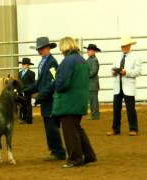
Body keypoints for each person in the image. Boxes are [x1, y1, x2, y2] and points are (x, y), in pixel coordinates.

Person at [52, 36, 96, 168]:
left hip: (69, 102)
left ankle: (75, 158)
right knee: (77, 128)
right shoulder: (81, 60)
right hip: (80, 100)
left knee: (70, 131)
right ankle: (89, 155)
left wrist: (55, 83)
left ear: (64, 47)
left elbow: (63, 83)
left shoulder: (68, 61)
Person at [25, 36, 66, 161]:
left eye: (42, 48)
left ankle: (58, 152)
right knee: (49, 127)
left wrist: (40, 97)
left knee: (52, 127)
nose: (40, 51)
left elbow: (52, 83)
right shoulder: (43, 62)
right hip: (47, 100)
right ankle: (54, 150)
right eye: (39, 49)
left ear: (48, 48)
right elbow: (40, 82)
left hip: (51, 100)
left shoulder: (52, 62)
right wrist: (27, 90)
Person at [107, 36, 142, 136]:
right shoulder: (117, 57)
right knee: (116, 108)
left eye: (125, 46)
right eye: (122, 46)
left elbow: (138, 72)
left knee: (130, 109)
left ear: (130, 46)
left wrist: (126, 72)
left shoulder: (136, 57)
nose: (123, 48)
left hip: (128, 86)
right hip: (118, 86)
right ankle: (115, 129)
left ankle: (133, 129)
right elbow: (112, 70)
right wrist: (114, 72)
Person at [84, 44, 101, 120]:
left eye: (89, 50)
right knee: (92, 100)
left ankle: (95, 115)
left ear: (93, 51)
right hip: (91, 83)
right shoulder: (91, 59)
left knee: (93, 101)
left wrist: (84, 75)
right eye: (88, 50)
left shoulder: (94, 60)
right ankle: (93, 114)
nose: (88, 51)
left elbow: (94, 72)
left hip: (92, 84)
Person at [18, 57, 35, 124]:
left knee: (28, 105)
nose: (24, 65)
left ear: (28, 65)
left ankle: (29, 119)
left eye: (26, 64)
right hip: (21, 91)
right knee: (22, 105)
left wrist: (26, 89)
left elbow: (32, 83)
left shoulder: (31, 73)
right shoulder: (20, 73)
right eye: (23, 64)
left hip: (27, 91)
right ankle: (23, 118)